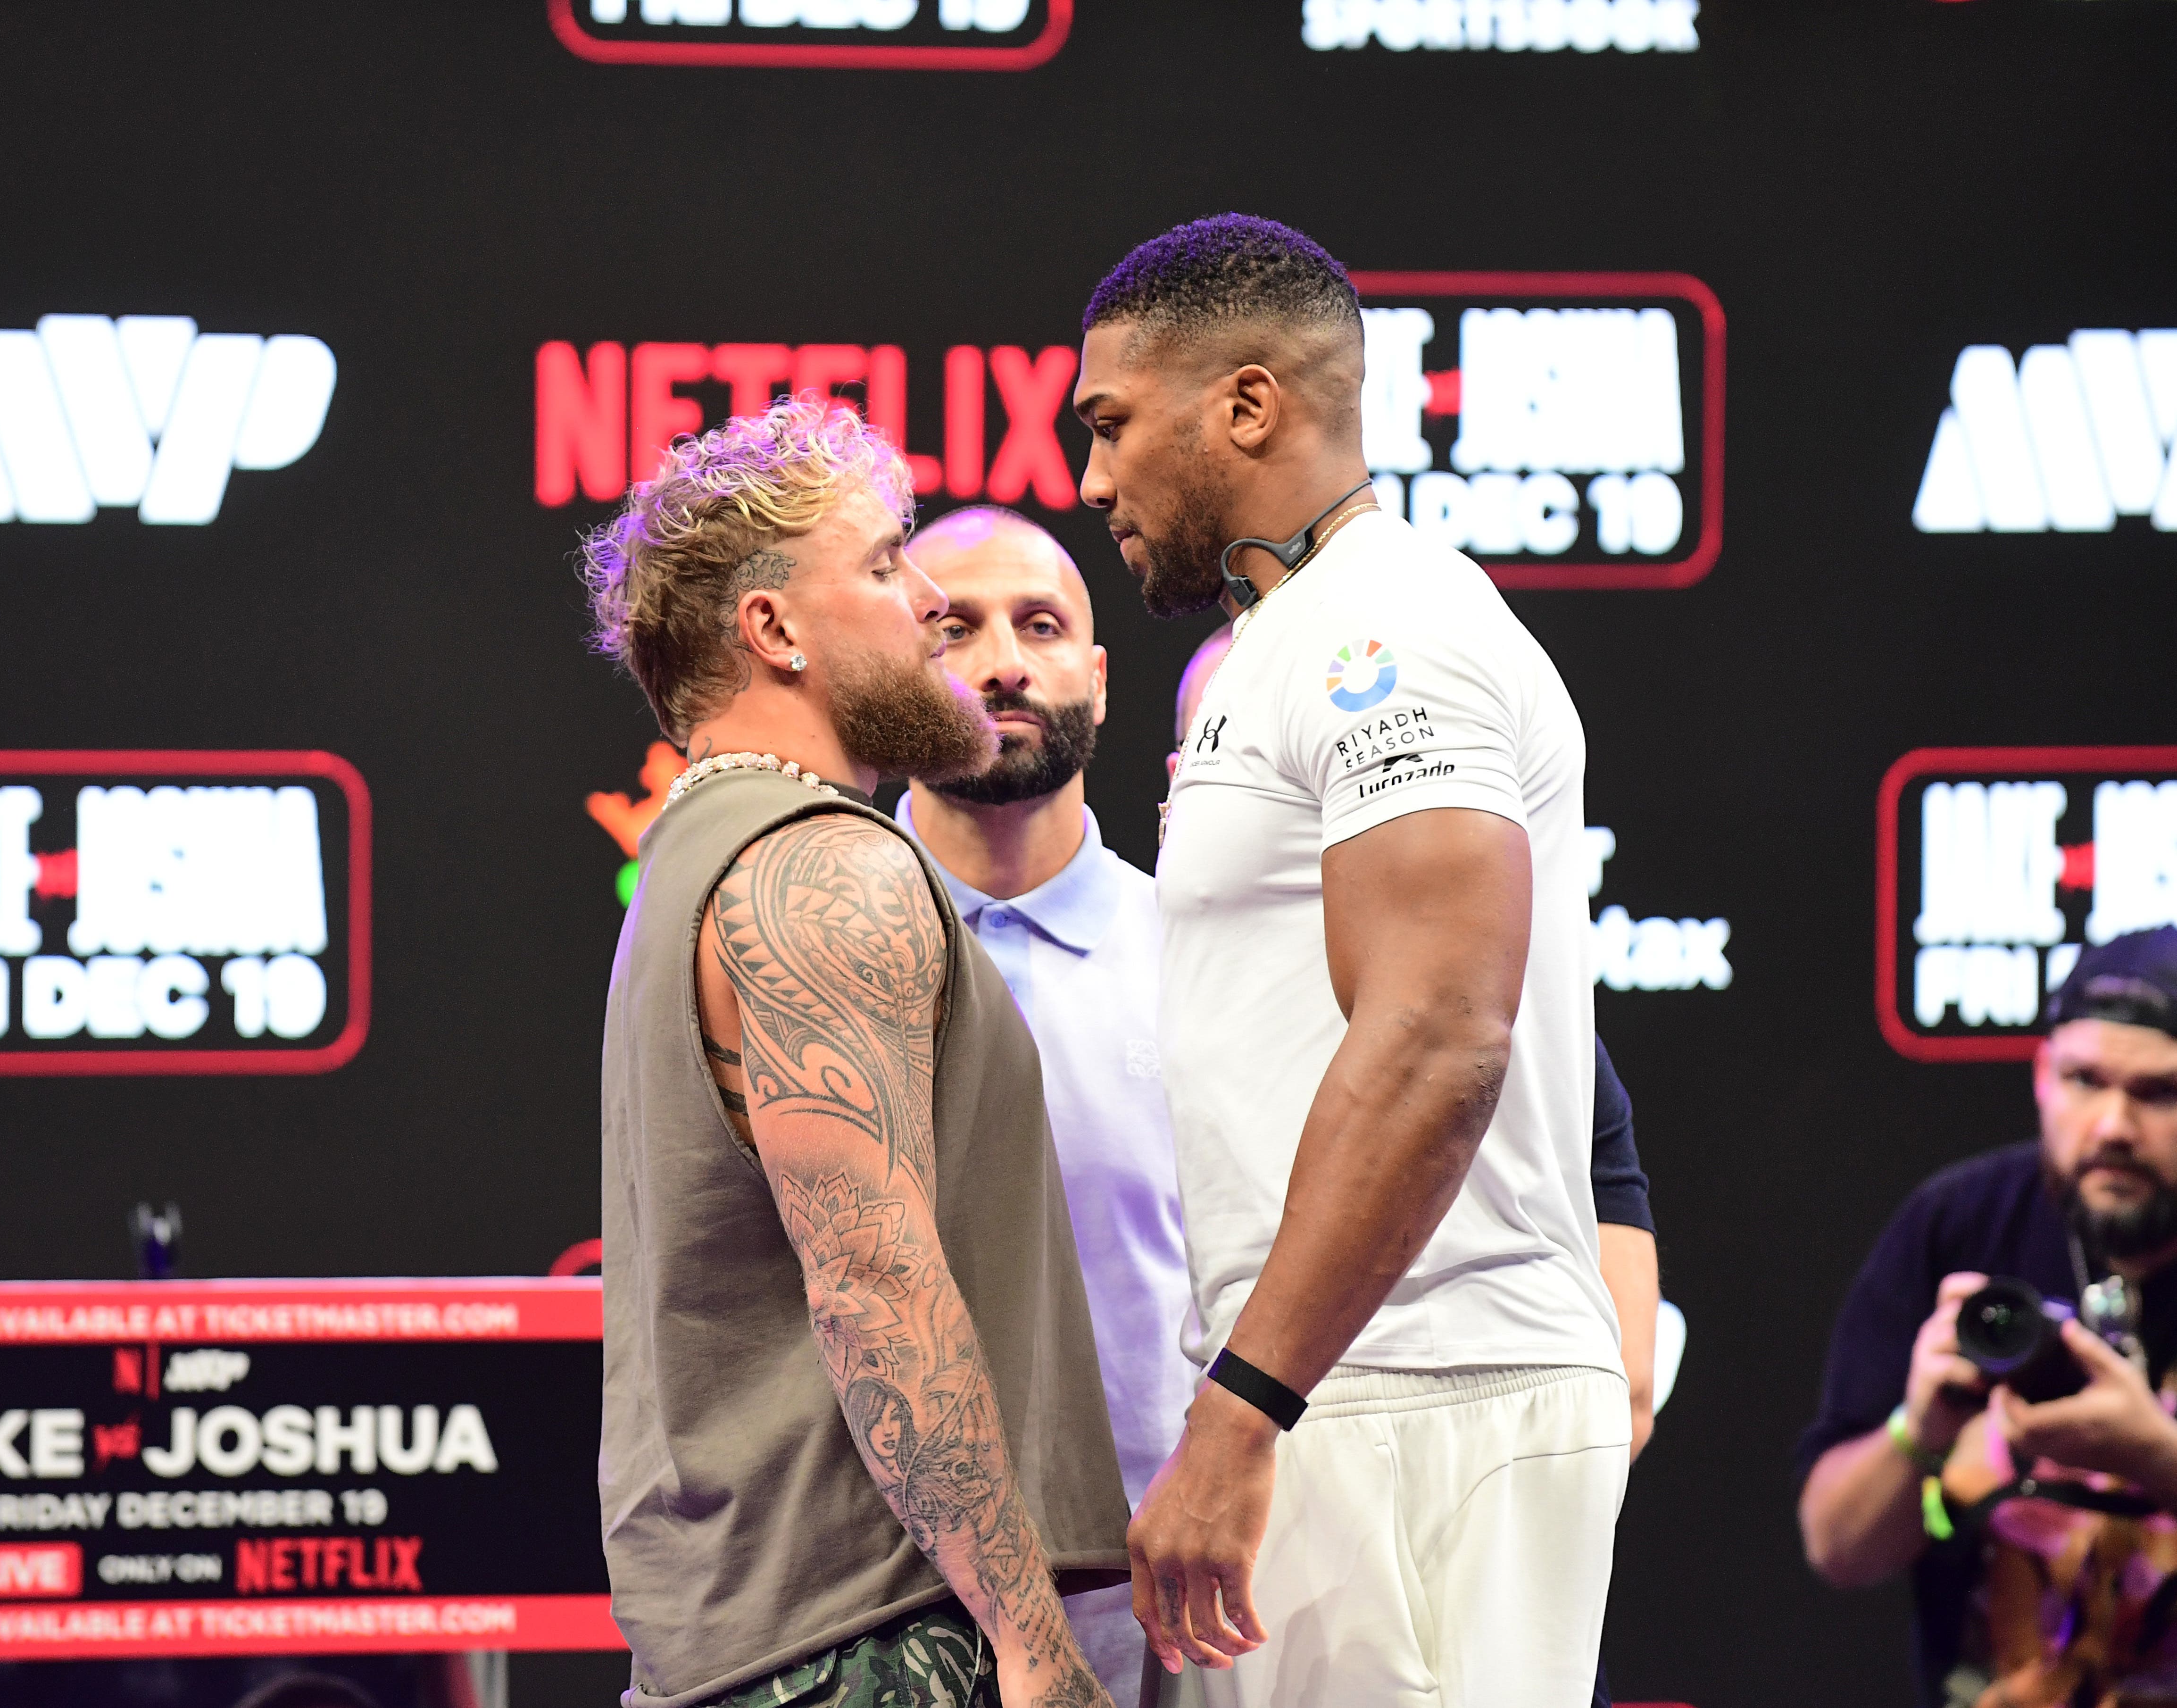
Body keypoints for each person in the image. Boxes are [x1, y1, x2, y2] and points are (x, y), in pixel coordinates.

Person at [1075, 214, 1629, 1704]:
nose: (1091, 480)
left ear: (1249, 404)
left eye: (1114, 424)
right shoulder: (1289, 639)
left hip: (1413, 1389)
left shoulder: (1389, 629)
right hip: (1349, 1386)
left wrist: (1244, 1408)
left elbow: (1442, 1031)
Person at [585, 398, 1129, 1708]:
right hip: (865, 1640)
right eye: (888, 564)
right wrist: (1033, 1639)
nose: (929, 599)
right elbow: (874, 1281)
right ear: (774, 631)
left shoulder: (697, 854)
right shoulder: (820, 864)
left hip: (767, 1637)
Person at [1172, 623, 1668, 1462]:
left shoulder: (1520, 1029)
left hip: (1443, 1475)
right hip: (1168, 1496)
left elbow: (1632, 1387)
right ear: (1184, 787)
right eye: (1248, 758)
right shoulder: (1149, 998)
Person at [889, 504, 1199, 1708]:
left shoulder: (1200, 956)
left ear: (1102, 679)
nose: (1004, 660)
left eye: (1041, 624)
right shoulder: (802, 951)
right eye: (953, 625)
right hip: (876, 1601)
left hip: (1166, 1598)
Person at [1798, 928, 2177, 1706]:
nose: (2112, 1125)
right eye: (2084, 1080)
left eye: (2158, 1092)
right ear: (2042, 1076)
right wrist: (1918, 1432)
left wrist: (2155, 1456)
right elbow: (1837, 1546)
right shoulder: (1960, 1226)